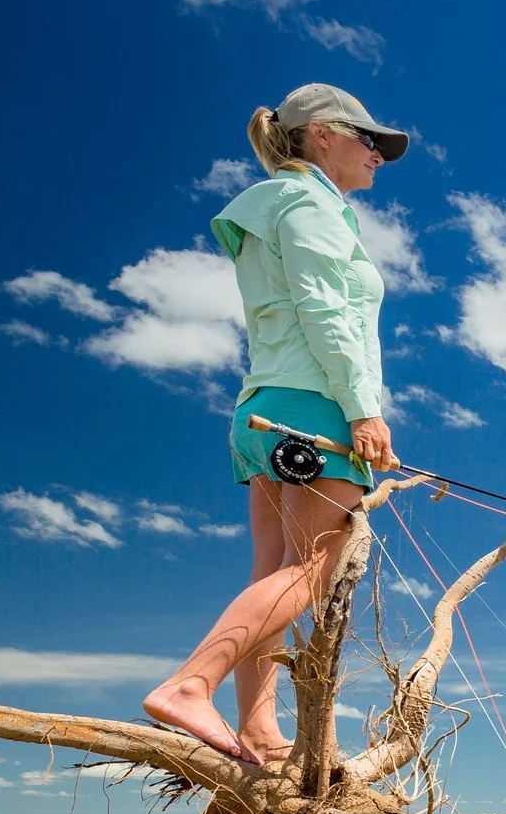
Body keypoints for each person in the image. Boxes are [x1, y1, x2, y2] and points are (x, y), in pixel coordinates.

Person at [142, 83, 410, 764]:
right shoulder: (312, 206)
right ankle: (190, 684)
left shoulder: (274, 207)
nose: (378, 153)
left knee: (273, 568)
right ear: (321, 134)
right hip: (314, 407)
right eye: (367, 139)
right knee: (314, 569)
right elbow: (326, 312)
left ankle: (258, 730)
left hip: (263, 411)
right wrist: (363, 410)